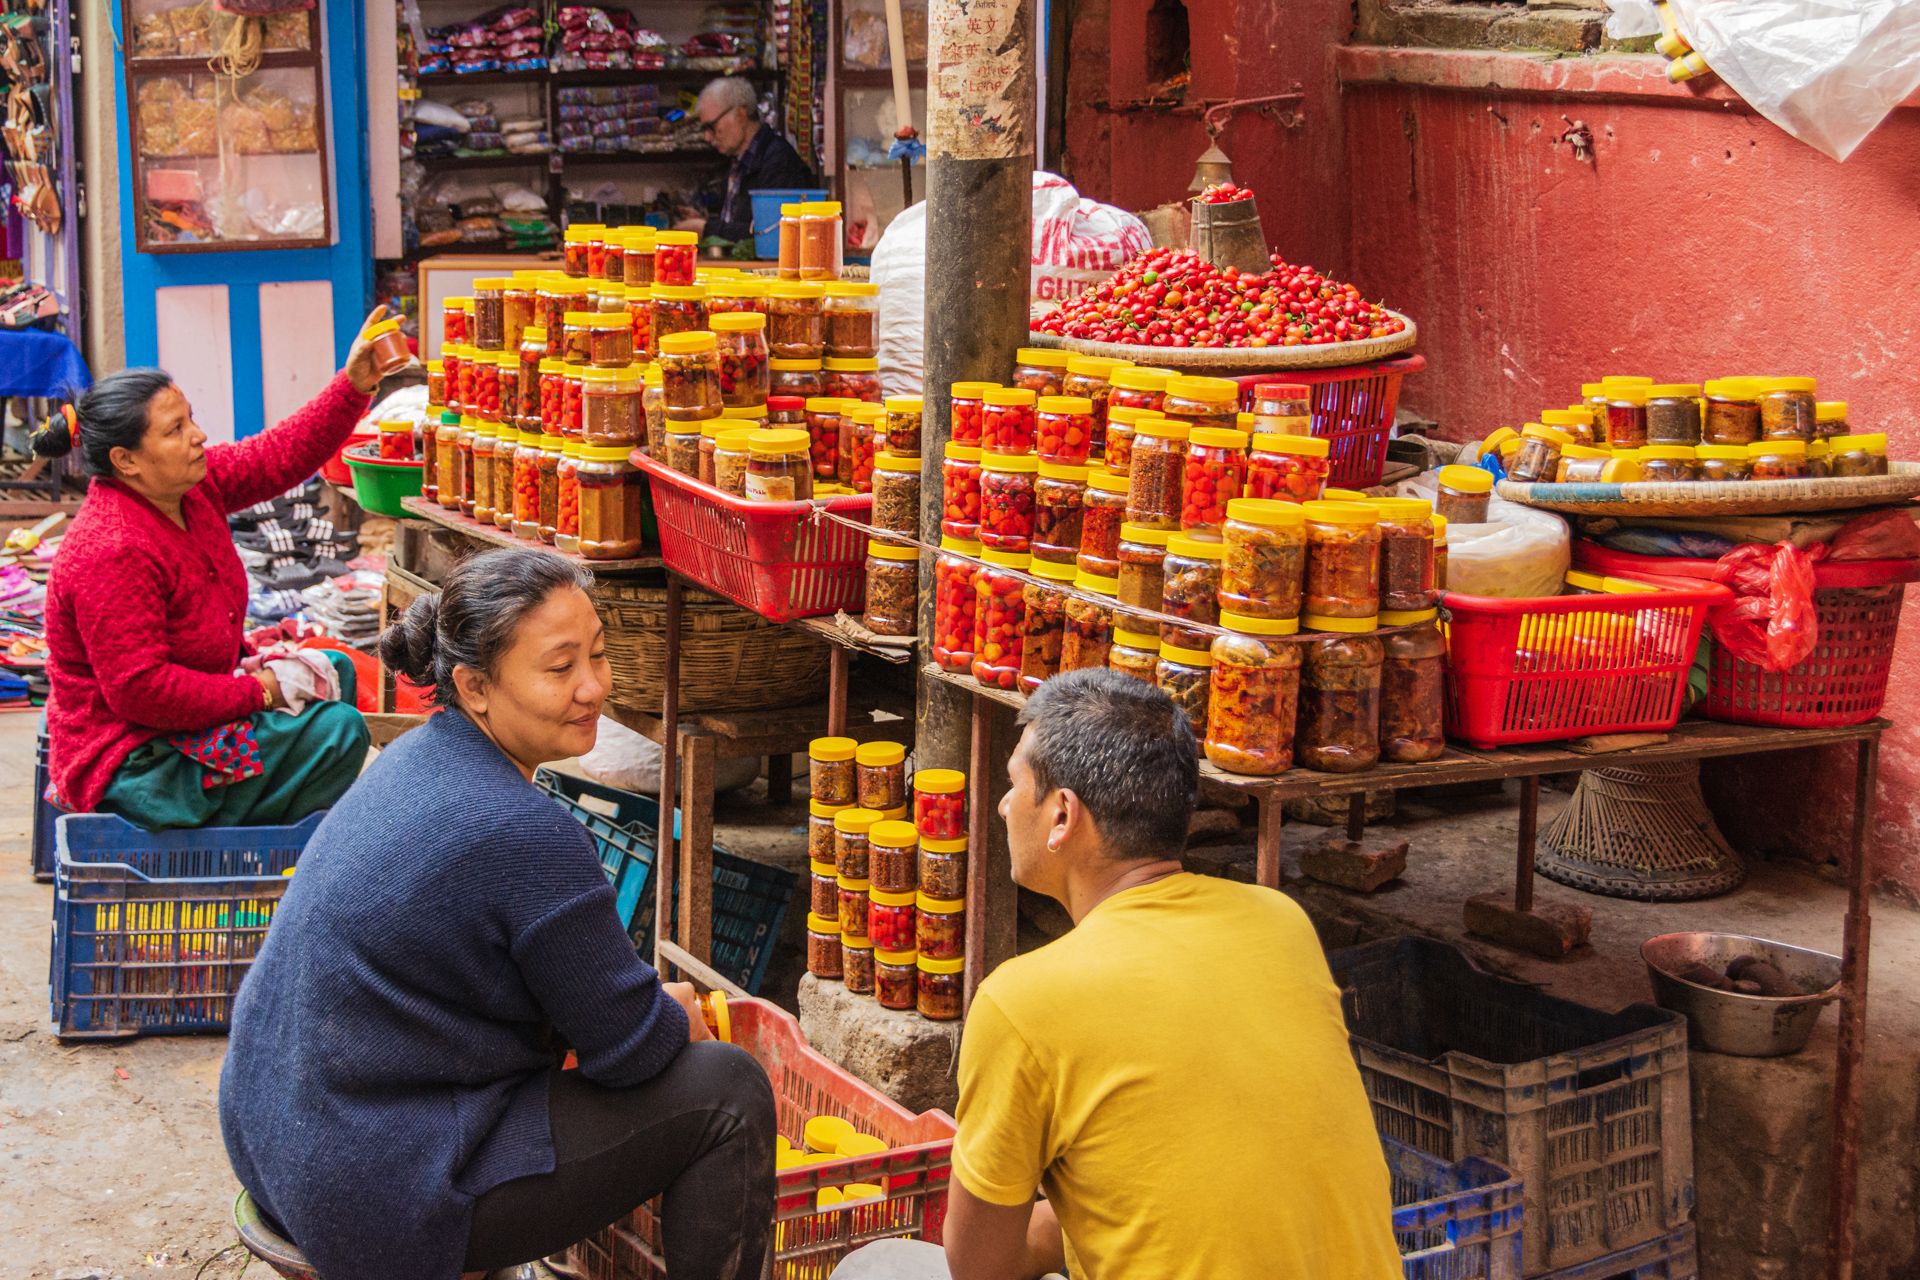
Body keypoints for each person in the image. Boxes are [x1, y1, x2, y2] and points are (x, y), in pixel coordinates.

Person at [221, 548, 778, 1280]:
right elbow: (633, 1052)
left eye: (599, 655)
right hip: (367, 1187)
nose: (592, 688)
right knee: (729, 1091)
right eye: (559, 667)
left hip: (277, 1137)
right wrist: (671, 1017)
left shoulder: (415, 756)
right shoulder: (526, 834)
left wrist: (643, 1012)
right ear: (475, 686)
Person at [833, 668, 1403, 1280]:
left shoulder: (1022, 1003)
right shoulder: (1282, 923)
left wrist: (1065, 1228)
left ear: (1061, 817)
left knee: (879, 1267)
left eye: (1014, 784)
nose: (1001, 805)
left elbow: (980, 1267)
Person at [33, 312, 404, 830]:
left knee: (334, 672)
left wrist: (353, 385)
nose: (198, 435)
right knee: (338, 731)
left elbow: (278, 455)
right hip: (138, 761)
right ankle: (259, 851)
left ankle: (276, 823)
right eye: (176, 429)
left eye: (191, 418)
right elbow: (142, 691)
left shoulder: (189, 488)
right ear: (127, 460)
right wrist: (262, 691)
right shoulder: (112, 550)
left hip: (182, 716)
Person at [678, 75, 816, 243]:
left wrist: (707, 228)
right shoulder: (737, 164)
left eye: (711, 127)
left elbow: (770, 234)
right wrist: (704, 222)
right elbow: (739, 229)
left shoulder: (778, 161)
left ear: (740, 116)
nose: (707, 137)